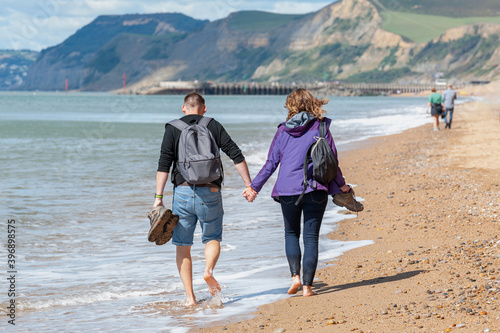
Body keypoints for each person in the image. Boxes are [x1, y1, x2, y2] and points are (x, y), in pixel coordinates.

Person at [242, 88, 353, 297]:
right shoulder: (321, 128)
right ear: (313, 104)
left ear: (290, 106)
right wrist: (342, 185)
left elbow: (271, 163)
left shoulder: (282, 131)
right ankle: (308, 288)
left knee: (291, 233)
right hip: (315, 189)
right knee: (311, 238)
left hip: (287, 190)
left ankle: (295, 277)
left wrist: (253, 187)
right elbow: (332, 162)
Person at [154, 92, 252, 306]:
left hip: (182, 193)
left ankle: (190, 298)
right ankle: (208, 271)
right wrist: (248, 185)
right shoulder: (213, 125)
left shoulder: (172, 128)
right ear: (204, 108)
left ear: (183, 108)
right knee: (212, 237)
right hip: (211, 192)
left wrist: (158, 198)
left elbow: (163, 165)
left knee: (183, 245)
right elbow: (236, 154)